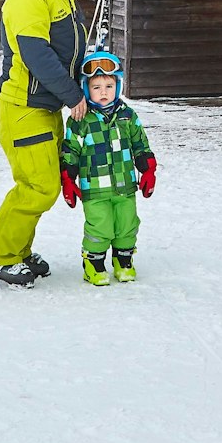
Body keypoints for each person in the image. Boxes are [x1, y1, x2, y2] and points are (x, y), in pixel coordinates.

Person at [0, 0, 88, 287]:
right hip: (24, 105)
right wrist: (73, 96)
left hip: (44, 103)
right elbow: (36, 54)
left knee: (38, 182)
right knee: (39, 186)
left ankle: (16, 249)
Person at [58, 50, 156, 285]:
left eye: (109, 86)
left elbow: (140, 144)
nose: (103, 92)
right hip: (94, 188)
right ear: (85, 89)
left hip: (125, 186)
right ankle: (94, 264)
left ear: (118, 86)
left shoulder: (127, 116)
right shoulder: (80, 120)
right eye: (96, 87)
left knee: (127, 224)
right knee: (99, 227)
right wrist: (68, 179)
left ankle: (123, 262)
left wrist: (148, 170)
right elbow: (70, 151)